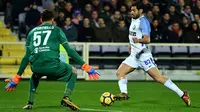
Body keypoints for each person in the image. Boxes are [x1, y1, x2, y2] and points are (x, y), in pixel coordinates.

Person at [4, 10, 100, 111]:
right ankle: (66, 98)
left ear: (41, 20)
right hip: (53, 66)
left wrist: (17, 76)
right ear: (52, 19)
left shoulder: (32, 32)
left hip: (36, 67)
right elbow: (70, 51)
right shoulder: (56, 30)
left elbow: (26, 56)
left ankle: (29, 103)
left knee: (34, 76)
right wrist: (85, 66)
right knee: (73, 71)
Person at [114, 4, 191, 106]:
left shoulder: (143, 22)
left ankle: (183, 94)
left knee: (158, 78)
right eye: (131, 10)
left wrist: (138, 40)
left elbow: (147, 39)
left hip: (144, 56)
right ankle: (124, 93)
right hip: (134, 56)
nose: (131, 12)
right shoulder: (134, 19)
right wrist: (131, 45)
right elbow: (134, 34)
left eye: (133, 10)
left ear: (140, 11)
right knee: (120, 72)